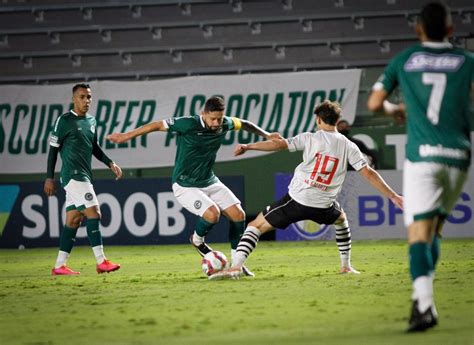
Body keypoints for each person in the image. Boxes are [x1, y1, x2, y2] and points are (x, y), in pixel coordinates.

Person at [210, 100, 403, 280]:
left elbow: (278, 144)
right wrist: (393, 196)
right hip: (324, 205)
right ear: (336, 120)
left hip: (297, 201)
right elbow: (368, 172)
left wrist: (248, 146)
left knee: (255, 226)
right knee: (341, 219)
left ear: (318, 120)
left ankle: (236, 266)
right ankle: (346, 266)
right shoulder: (349, 146)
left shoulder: (310, 138)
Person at [367, 1, 472, 332]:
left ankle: (424, 305)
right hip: (458, 156)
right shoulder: (467, 60)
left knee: (417, 234)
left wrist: (393, 110)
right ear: (451, 30)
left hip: (422, 157)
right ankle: (423, 296)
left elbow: (373, 103)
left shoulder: (405, 60)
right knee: (434, 230)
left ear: (418, 29)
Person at [106, 96, 281, 276]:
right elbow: (157, 124)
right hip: (185, 184)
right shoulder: (188, 124)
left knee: (238, 215)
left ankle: (237, 265)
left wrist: (267, 135)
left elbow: (244, 123)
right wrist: (126, 136)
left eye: (219, 119)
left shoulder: (225, 123)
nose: (216, 123)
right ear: (203, 114)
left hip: (209, 180)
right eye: (212, 118)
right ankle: (197, 241)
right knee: (213, 214)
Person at [44, 83, 123, 276]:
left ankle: (59, 266)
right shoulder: (64, 121)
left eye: (89, 97)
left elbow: (93, 146)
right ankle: (101, 261)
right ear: (73, 99)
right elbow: (53, 151)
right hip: (73, 175)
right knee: (94, 212)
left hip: (84, 175)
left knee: (73, 220)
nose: (86, 100)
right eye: (82, 97)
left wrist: (109, 162)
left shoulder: (92, 121)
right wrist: (49, 178)